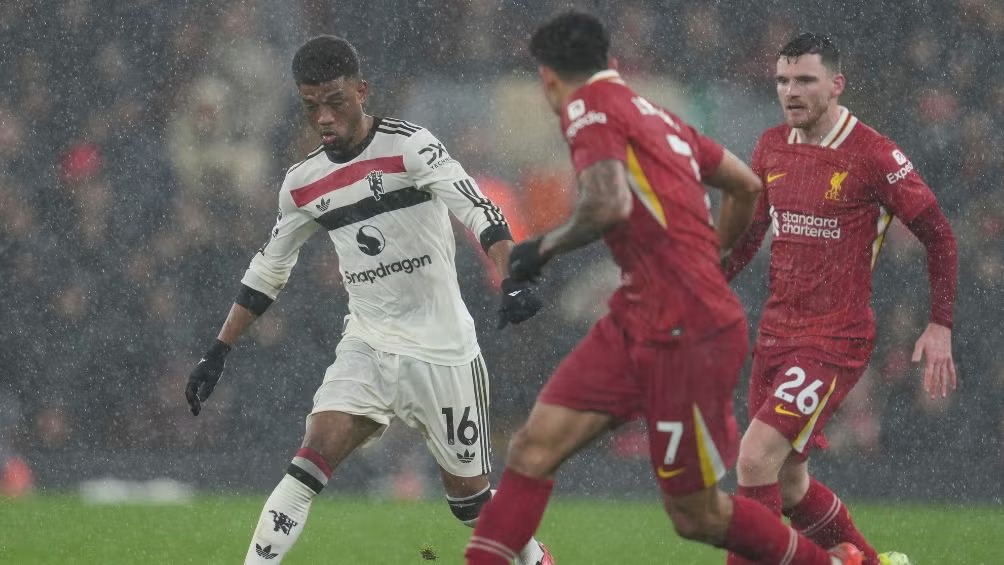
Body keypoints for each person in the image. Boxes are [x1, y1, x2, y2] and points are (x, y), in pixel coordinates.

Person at [466, 12, 862, 565]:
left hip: (686, 329)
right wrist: (712, 255)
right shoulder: (656, 116)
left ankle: (831, 563)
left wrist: (538, 250)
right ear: (611, 62)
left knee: (695, 514)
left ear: (549, 78)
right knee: (534, 447)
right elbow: (745, 186)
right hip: (642, 312)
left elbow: (607, 202)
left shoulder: (587, 108)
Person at [183, 35, 552, 565]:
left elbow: (479, 210)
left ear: (361, 91)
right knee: (310, 459)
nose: (324, 118)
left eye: (335, 101)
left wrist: (511, 279)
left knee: (469, 504)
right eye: (312, 106)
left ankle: (537, 560)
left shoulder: (411, 147)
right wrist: (219, 349)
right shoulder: (304, 183)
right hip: (369, 344)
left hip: (441, 349)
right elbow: (268, 269)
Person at [722, 33, 958, 565]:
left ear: (836, 84)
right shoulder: (770, 146)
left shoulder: (874, 154)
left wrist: (939, 323)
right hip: (776, 333)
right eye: (783, 80)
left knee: (755, 459)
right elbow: (750, 235)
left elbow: (939, 234)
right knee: (789, 481)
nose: (791, 91)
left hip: (834, 338)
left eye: (805, 79)